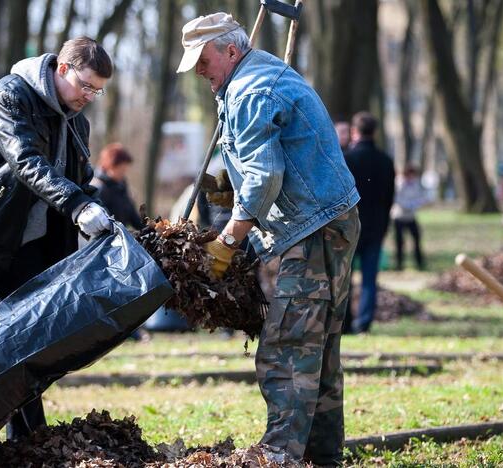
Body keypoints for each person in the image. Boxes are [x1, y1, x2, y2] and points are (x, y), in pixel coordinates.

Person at [177, 12, 360, 465]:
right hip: (328, 220)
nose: (200, 72)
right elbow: (268, 159)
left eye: (203, 61)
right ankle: (320, 455)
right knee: (319, 346)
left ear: (230, 51)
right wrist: (232, 187)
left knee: (288, 345)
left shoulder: (251, 90)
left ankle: (281, 454)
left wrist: (228, 239)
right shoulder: (258, 75)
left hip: (311, 228)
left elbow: (265, 175)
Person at [0, 37, 113, 443]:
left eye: (97, 91)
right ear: (62, 69)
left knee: (29, 344)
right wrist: (78, 207)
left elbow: (79, 182)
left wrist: (100, 213)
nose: (89, 97)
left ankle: (29, 442)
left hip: (24, 245)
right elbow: (27, 161)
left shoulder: (76, 122)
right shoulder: (11, 95)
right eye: (85, 85)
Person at [343, 112, 396, 334]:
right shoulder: (385, 160)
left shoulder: (347, 159)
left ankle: (344, 322)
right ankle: (364, 322)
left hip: (349, 226)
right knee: (369, 279)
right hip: (376, 226)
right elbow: (389, 197)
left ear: (355, 132)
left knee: (344, 277)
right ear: (374, 132)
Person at [91, 143, 144, 230]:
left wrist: (149, 229)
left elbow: (132, 215)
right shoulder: (98, 187)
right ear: (109, 166)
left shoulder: (121, 186)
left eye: (125, 170)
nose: (123, 174)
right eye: (121, 170)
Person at [391, 164, 428, 271]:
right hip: (399, 216)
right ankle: (399, 264)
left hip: (411, 217)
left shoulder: (415, 184)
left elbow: (420, 196)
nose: (412, 177)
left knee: (416, 238)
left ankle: (419, 262)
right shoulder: (399, 183)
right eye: (411, 175)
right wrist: (407, 204)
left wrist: (417, 203)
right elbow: (396, 198)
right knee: (400, 242)